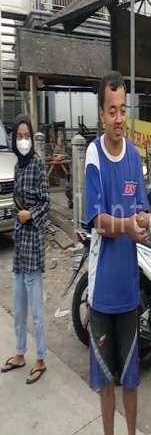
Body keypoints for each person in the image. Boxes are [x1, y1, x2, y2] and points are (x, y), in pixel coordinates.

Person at [85, 71, 149, 435]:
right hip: (101, 294)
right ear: (101, 114)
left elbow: (140, 211)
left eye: (123, 110)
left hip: (128, 291)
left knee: (131, 379)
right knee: (106, 380)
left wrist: (147, 223)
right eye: (112, 111)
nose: (119, 118)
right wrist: (128, 225)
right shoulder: (93, 155)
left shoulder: (134, 156)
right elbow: (98, 221)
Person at [1, 115, 49, 384]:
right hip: (19, 247)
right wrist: (20, 214)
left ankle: (40, 359)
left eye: (26, 136)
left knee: (36, 312)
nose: (23, 141)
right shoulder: (18, 167)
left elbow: (46, 203)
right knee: (19, 309)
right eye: (19, 136)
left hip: (33, 244)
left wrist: (31, 214)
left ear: (31, 137)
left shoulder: (38, 165)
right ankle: (20, 353)